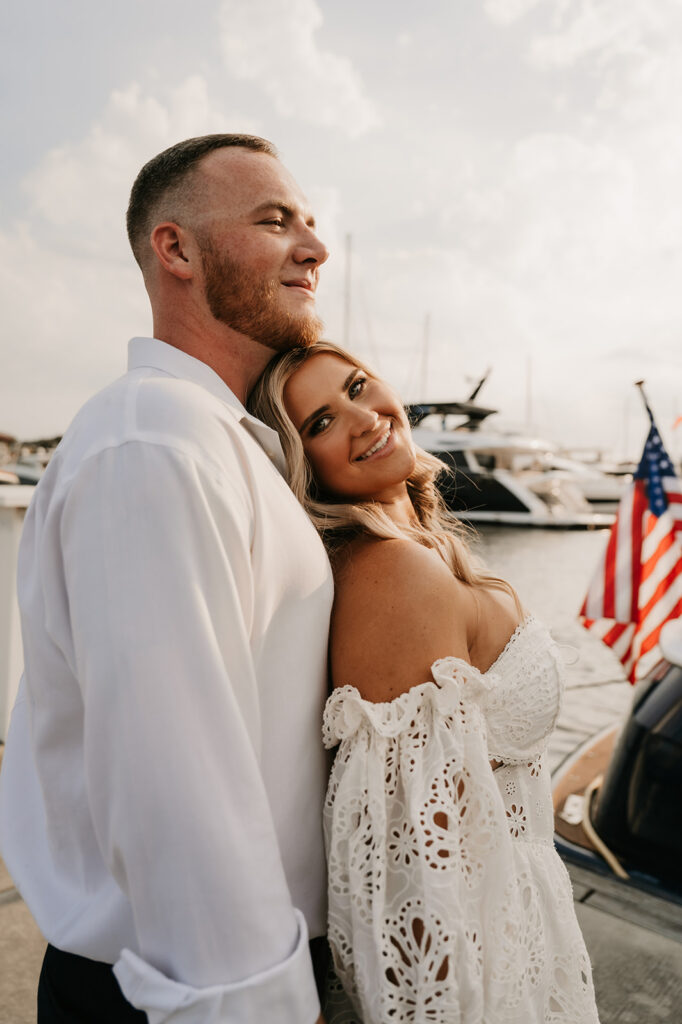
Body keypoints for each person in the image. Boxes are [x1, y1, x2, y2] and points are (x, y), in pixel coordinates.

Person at [0, 135, 333, 1023]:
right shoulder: (152, 440)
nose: (314, 246)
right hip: (187, 991)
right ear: (176, 249)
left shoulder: (214, 439)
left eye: (310, 222)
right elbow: (179, 797)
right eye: (274, 221)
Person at [249, 340, 602, 1024]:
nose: (362, 417)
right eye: (320, 422)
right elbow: (410, 872)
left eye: (356, 386)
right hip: (479, 965)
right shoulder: (392, 576)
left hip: (522, 919)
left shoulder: (429, 546)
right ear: (302, 467)